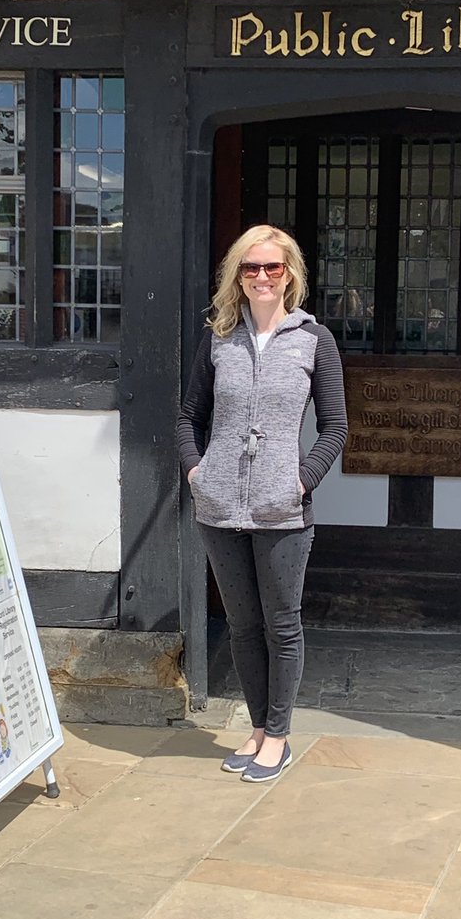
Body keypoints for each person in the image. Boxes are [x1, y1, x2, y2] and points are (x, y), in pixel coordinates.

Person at [177, 225, 347, 781]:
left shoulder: (314, 340)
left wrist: (302, 480)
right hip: (220, 506)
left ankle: (279, 736)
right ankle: (255, 730)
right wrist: (197, 471)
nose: (262, 277)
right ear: (238, 277)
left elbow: (335, 427)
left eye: (272, 267)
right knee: (244, 626)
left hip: (283, 509)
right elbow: (188, 417)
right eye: (251, 268)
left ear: (290, 274)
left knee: (282, 624)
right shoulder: (218, 340)